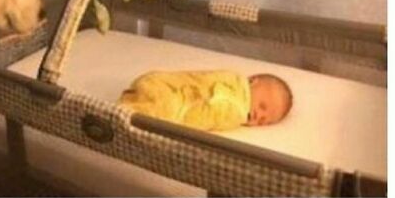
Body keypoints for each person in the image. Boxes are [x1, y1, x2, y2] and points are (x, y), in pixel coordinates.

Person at [119, 70, 292, 132]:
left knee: (163, 118)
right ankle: (120, 110)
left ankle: (126, 106)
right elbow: (204, 79)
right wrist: (201, 92)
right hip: (177, 91)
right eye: (262, 106)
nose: (259, 115)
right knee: (165, 105)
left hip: (181, 113)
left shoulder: (235, 118)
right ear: (253, 81)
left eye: (264, 120)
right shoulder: (234, 81)